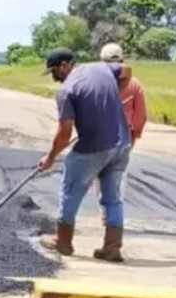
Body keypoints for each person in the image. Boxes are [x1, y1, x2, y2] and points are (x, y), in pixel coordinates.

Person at [36, 48, 132, 262]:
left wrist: (50, 158)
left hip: (93, 148)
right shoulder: (101, 69)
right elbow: (127, 70)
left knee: (70, 191)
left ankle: (63, 241)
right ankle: (112, 248)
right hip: (122, 145)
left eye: (54, 71)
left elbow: (65, 133)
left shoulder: (67, 90)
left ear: (65, 65)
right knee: (112, 198)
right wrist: (115, 95)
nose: (54, 77)